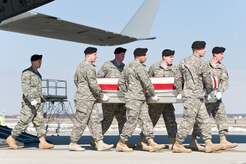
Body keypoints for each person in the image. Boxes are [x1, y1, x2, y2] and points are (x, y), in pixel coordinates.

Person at [173, 41, 220, 153]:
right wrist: (209, 91)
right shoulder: (201, 63)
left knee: (204, 120)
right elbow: (207, 80)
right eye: (203, 49)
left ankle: (209, 143)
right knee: (188, 121)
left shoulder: (183, 61)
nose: (205, 51)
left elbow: (177, 79)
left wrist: (181, 91)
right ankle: (178, 144)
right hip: (195, 96)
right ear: (197, 50)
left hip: (192, 96)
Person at [116, 48, 164, 152]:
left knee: (146, 120)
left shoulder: (127, 66)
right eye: (144, 55)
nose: (146, 57)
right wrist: (153, 94)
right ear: (139, 56)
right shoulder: (139, 67)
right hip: (135, 99)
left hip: (138, 98)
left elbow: (120, 82)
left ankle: (151, 141)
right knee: (132, 121)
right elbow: (146, 81)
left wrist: (126, 92)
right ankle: (122, 143)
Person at [190, 46, 238, 151]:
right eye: (221, 54)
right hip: (205, 98)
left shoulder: (222, 67)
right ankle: (194, 140)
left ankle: (223, 139)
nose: (223, 56)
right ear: (215, 54)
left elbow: (225, 81)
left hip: (216, 97)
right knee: (201, 120)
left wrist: (221, 91)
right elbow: (200, 80)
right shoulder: (205, 65)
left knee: (221, 116)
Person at [69, 47, 113, 151]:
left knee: (95, 121)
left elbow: (75, 79)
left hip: (89, 98)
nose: (96, 56)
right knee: (81, 121)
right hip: (85, 99)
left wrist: (82, 88)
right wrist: (101, 94)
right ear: (88, 55)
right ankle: (73, 143)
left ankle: (99, 142)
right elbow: (93, 84)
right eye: (94, 54)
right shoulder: (89, 67)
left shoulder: (80, 66)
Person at [6, 54, 54, 149]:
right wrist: (32, 101)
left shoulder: (38, 74)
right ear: (33, 62)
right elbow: (26, 89)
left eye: (41, 61)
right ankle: (11, 138)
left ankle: (42, 142)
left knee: (40, 122)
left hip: (38, 103)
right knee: (24, 121)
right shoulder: (26, 73)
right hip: (29, 103)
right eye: (38, 61)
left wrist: (41, 99)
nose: (40, 63)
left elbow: (38, 89)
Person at [140, 49, 178, 150]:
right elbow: (147, 82)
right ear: (164, 57)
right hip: (156, 102)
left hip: (168, 101)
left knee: (171, 122)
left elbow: (178, 81)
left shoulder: (174, 68)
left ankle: (172, 142)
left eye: (172, 57)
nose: (172, 59)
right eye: (170, 57)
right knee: (150, 122)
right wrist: (149, 95)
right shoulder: (154, 67)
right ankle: (142, 140)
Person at [97, 47, 127, 136]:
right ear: (116, 54)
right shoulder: (107, 65)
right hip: (109, 99)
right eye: (122, 54)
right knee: (107, 120)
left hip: (121, 99)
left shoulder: (124, 67)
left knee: (123, 120)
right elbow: (99, 79)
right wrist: (101, 94)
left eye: (124, 55)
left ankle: (123, 141)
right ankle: (97, 138)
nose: (123, 56)